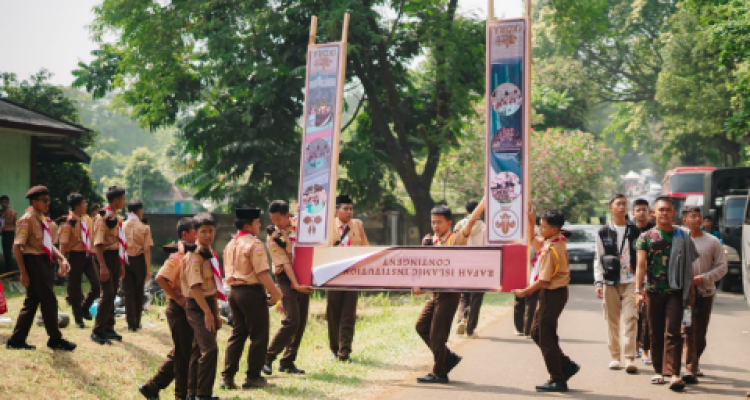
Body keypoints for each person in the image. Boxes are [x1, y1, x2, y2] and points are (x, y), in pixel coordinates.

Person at [412, 199, 486, 384]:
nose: (435, 226)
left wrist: (484, 202)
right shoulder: (431, 241)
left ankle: (439, 373)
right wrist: (419, 285)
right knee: (421, 326)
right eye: (433, 222)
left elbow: (470, 221)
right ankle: (448, 358)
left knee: (438, 335)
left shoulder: (456, 238)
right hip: (436, 293)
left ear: (449, 223)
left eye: (439, 222)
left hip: (450, 293)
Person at [513, 206, 579, 393]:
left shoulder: (551, 249)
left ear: (554, 229)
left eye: (543, 227)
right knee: (536, 332)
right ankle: (565, 365)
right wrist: (531, 222)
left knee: (545, 336)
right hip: (553, 293)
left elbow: (543, 280)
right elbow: (533, 241)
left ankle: (557, 378)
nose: (540, 229)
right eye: (540, 225)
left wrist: (524, 292)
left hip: (553, 293)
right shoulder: (557, 240)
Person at [635, 196, 698, 392]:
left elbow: (689, 266)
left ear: (673, 213)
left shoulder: (683, 236)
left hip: (676, 292)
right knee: (655, 332)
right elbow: (640, 266)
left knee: (673, 332)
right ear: (654, 213)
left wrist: (691, 291)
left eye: (668, 210)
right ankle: (658, 371)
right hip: (653, 291)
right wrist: (638, 290)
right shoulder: (645, 238)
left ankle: (674, 373)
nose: (664, 213)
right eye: (661, 209)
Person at [5, 186, 76, 351]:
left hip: (43, 261)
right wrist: (23, 272)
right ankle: (55, 339)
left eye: (48, 200)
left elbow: (48, 245)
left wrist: (62, 258)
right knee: (49, 299)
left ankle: (17, 339)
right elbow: (17, 246)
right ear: (34, 201)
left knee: (32, 300)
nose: (47, 203)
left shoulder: (42, 219)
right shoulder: (27, 219)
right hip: (34, 262)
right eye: (44, 200)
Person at [220, 206, 282, 390]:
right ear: (248, 226)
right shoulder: (254, 244)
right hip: (251, 292)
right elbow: (262, 273)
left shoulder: (230, 244)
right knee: (259, 335)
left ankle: (227, 377)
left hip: (234, 292)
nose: (260, 225)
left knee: (238, 334)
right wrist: (275, 293)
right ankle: (253, 377)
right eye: (257, 222)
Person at [139, 217, 197, 400]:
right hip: (178, 309)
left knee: (182, 351)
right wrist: (178, 297)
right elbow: (160, 278)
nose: (198, 234)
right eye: (195, 231)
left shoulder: (194, 255)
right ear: (185, 235)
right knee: (182, 355)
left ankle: (152, 387)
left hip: (188, 309)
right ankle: (181, 394)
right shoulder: (178, 256)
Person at [594, 194, 642, 373]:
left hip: (631, 281)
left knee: (631, 318)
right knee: (612, 321)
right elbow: (598, 257)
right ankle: (615, 356)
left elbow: (642, 257)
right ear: (611, 208)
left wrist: (642, 284)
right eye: (618, 204)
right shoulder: (603, 232)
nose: (622, 207)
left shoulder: (635, 231)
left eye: (624, 204)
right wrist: (598, 282)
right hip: (610, 280)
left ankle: (629, 358)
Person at [264, 200, 312, 375]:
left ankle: (288, 361)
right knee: (292, 320)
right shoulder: (274, 236)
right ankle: (267, 357)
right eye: (273, 220)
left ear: (287, 216)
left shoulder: (298, 227)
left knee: (301, 321)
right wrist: (296, 285)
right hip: (285, 277)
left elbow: (312, 222)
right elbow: (284, 263)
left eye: (278, 219)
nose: (276, 223)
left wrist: (305, 211)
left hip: (303, 273)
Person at [681, 206, 727, 384]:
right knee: (687, 328)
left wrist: (704, 278)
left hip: (704, 295)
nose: (698, 220)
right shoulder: (679, 239)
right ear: (685, 220)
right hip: (685, 296)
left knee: (700, 332)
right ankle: (690, 368)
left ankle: (694, 362)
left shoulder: (713, 241)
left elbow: (722, 267)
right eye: (693, 216)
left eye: (699, 216)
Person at [182, 213, 222, 400]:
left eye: (211, 231)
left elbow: (213, 287)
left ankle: (192, 393)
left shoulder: (210, 254)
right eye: (203, 231)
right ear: (195, 233)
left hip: (209, 304)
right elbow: (195, 287)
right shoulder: (194, 256)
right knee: (210, 349)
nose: (208, 235)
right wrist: (207, 312)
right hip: (198, 306)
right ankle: (203, 394)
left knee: (199, 349)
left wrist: (216, 313)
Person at [326, 194, 369, 361]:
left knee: (348, 313)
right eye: (346, 209)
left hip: (352, 275)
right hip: (333, 275)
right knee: (333, 312)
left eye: (351, 208)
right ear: (336, 211)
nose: (349, 212)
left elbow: (365, 247)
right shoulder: (328, 226)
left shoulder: (357, 225)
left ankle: (345, 351)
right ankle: (334, 349)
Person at [91, 186, 128, 344]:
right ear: (116, 200)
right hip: (103, 256)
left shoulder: (116, 217)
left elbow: (119, 242)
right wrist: (103, 266)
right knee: (107, 292)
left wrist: (121, 265)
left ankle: (108, 327)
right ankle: (97, 330)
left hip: (114, 257)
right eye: (122, 198)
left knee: (113, 292)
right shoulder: (102, 217)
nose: (124, 201)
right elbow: (98, 243)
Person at [59, 193, 99, 329]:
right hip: (74, 256)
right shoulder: (68, 222)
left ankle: (84, 307)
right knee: (75, 288)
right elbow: (63, 244)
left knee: (97, 284)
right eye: (83, 203)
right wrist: (62, 262)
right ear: (77, 207)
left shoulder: (87, 219)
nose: (86, 205)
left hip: (88, 255)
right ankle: (78, 318)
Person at [455, 199, 486, 338]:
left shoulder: (460, 225)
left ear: (466, 211)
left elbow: (455, 243)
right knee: (476, 297)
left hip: (463, 264)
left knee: (464, 296)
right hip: (480, 266)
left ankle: (462, 319)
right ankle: (470, 329)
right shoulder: (485, 228)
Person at [123, 200, 154, 332]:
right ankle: (137, 321)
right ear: (139, 211)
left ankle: (131, 323)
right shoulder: (144, 227)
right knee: (138, 291)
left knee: (128, 292)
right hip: (139, 260)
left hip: (125, 259)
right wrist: (148, 269)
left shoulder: (122, 225)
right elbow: (146, 249)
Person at [631, 199, 655, 365]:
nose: (641, 212)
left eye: (644, 210)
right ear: (633, 213)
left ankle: (646, 349)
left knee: (647, 315)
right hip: (630, 278)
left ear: (649, 212)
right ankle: (635, 345)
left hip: (650, 278)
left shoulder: (654, 231)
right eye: (638, 210)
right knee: (634, 315)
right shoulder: (629, 231)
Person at [1, 195, 19, 275]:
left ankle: (11, 272)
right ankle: (7, 271)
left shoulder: (12, 212)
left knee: (8, 252)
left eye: (5, 202)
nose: (3, 204)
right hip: (4, 233)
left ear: (8, 203)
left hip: (10, 233)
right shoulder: (1, 212)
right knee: (5, 252)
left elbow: (17, 224)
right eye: (2, 202)